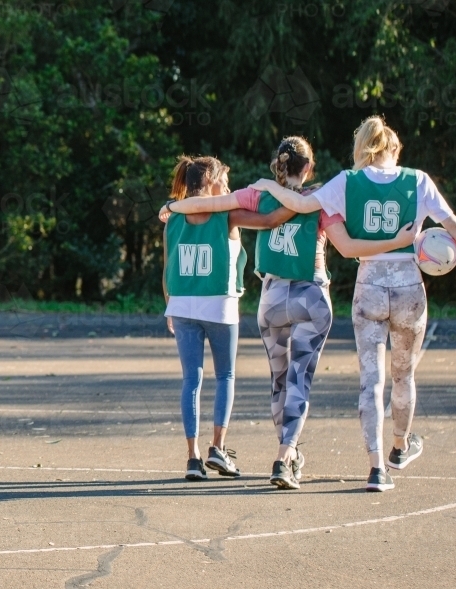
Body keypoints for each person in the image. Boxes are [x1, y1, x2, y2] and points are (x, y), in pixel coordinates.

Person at [165, 137, 415, 489]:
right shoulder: (321, 199)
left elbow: (212, 203)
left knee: (279, 383)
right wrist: (396, 243)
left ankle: (286, 454)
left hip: (271, 299)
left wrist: (172, 209)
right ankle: (285, 456)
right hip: (309, 295)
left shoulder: (256, 196)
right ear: (309, 167)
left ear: (277, 166)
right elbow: (346, 246)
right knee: (299, 381)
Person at [252, 116, 456, 492]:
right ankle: (399, 447)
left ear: (362, 147)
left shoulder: (346, 181)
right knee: (403, 374)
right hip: (408, 283)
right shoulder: (418, 180)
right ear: (393, 148)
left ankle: (376, 468)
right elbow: (452, 223)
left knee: (370, 380)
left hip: (370, 282)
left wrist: (264, 185)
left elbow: (298, 203)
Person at [162, 155, 292, 481]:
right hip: (218, 304)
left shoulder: (173, 217)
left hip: (181, 305)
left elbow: (167, 270)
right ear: (212, 183)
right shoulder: (227, 215)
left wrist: (170, 306)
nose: (230, 189)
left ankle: (192, 457)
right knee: (225, 376)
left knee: (191, 380)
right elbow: (272, 219)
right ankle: (217, 447)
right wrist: (308, 202)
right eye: (226, 182)